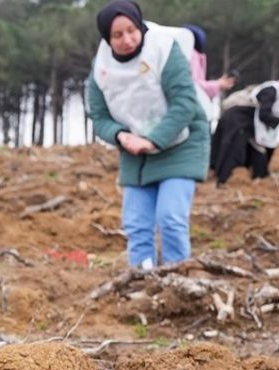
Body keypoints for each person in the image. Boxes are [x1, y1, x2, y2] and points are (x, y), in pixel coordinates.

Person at [87, 1, 210, 268]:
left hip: (181, 143)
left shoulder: (163, 50)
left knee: (170, 218)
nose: (127, 40)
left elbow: (185, 103)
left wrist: (153, 140)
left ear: (140, 25)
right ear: (107, 39)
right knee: (136, 224)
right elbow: (98, 116)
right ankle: (143, 279)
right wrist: (120, 136)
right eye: (117, 35)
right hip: (134, 151)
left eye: (132, 30)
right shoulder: (102, 67)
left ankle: (177, 278)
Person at [210, 66, 279, 185]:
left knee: (261, 156)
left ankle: (256, 180)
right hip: (239, 121)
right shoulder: (271, 90)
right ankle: (223, 181)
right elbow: (264, 115)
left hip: (257, 128)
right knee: (234, 152)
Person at [183, 24, 235, 121]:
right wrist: (217, 85)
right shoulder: (193, 55)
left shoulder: (184, 53)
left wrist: (217, 84)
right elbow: (194, 86)